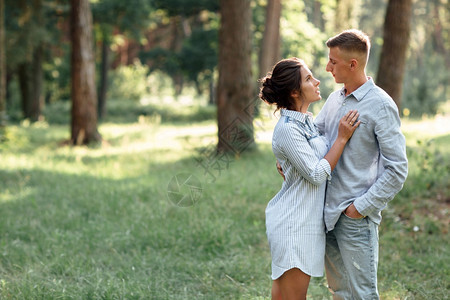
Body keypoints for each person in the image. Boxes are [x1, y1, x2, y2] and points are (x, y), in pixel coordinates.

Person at [278, 29, 409, 299]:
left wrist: (358, 209)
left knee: (362, 294)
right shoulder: (335, 99)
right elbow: (314, 137)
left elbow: (397, 169)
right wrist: (291, 161)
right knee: (339, 292)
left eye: (333, 62)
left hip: (355, 218)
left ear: (353, 64)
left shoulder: (381, 105)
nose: (327, 68)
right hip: (326, 215)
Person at [259, 57, 361, 300]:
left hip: (302, 222)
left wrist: (287, 161)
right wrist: (342, 139)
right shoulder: (287, 128)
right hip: (294, 225)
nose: (316, 81)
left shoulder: (306, 122)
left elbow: (306, 158)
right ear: (295, 91)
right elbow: (316, 174)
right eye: (308, 78)